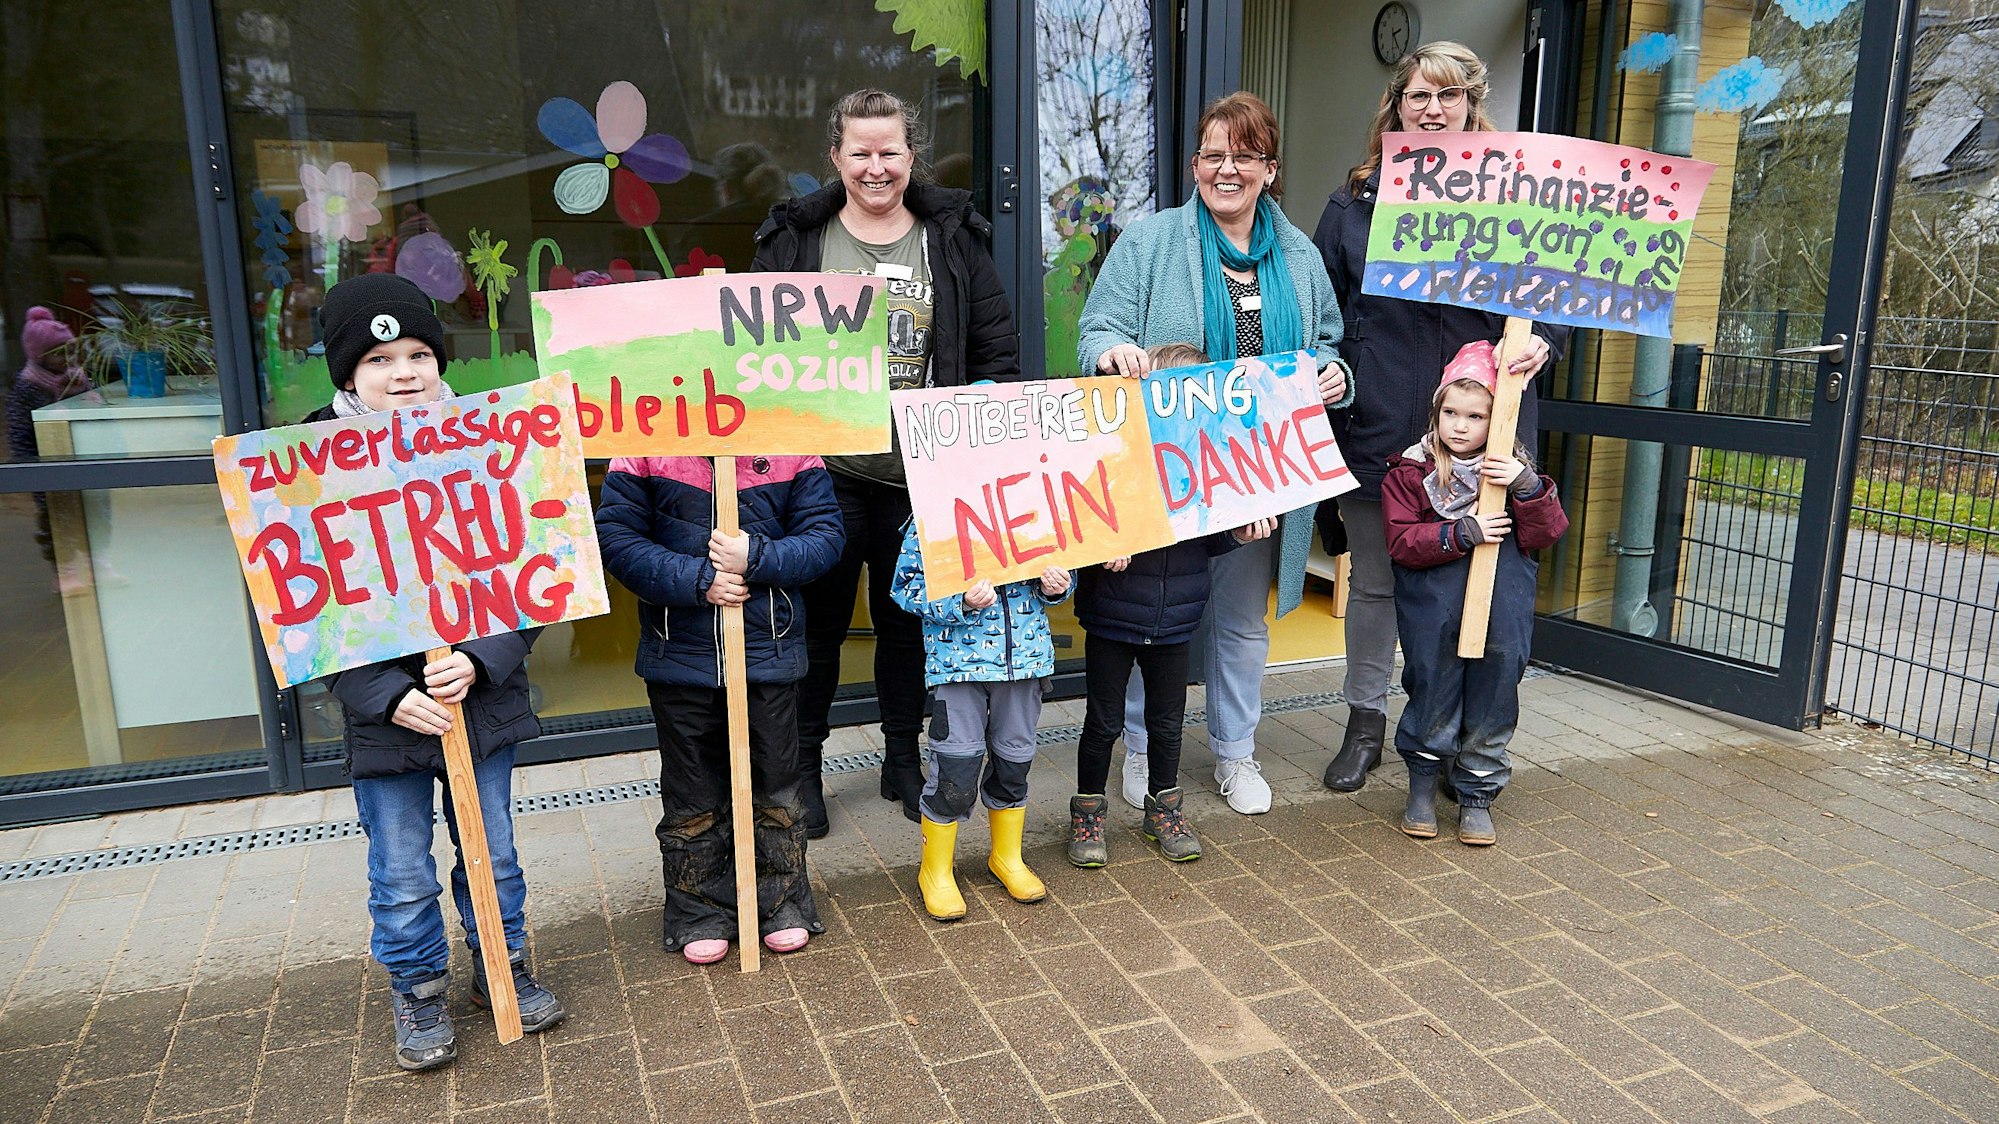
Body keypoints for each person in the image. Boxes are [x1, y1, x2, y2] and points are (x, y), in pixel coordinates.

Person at [310, 273, 563, 1071]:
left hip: (476, 704)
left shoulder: (487, 440)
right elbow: (303, 609)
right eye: (380, 359)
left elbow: (536, 568)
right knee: (402, 865)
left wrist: (483, 659)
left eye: (420, 352)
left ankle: (503, 964)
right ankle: (417, 989)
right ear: (347, 375)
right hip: (386, 719)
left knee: (494, 849)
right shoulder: (305, 464)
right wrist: (383, 696)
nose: (406, 372)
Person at [753, 88, 1022, 836]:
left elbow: (996, 349)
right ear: (835, 158)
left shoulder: (953, 237)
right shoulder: (792, 243)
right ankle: (802, 771)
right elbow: (753, 360)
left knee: (911, 628)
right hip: (823, 476)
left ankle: (903, 760)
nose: (876, 168)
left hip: (925, 477)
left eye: (890, 152)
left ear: (912, 156)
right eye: (861, 153)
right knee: (818, 629)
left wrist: (977, 414)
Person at [1076, 92, 1351, 818]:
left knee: (1237, 622)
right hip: (1163, 469)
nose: (1225, 170)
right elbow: (1095, 325)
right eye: (1212, 155)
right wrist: (1111, 350)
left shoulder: (1298, 254)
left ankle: (1236, 755)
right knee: (1145, 617)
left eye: (1244, 156)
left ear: (1269, 169)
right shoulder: (1151, 240)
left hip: (1254, 472)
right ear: (1195, 163)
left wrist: (1333, 374)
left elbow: (1327, 342)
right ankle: (1139, 749)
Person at [1313, 41, 1568, 794]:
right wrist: (1329, 368)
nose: (1433, 109)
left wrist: (1542, 344)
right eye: (1418, 97)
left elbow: (1555, 299)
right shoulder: (1353, 201)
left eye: (1448, 97)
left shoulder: (1512, 200)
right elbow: (1325, 310)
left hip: (1483, 419)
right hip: (1382, 418)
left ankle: (1453, 741)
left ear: (1470, 106)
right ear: (1395, 106)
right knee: (1374, 585)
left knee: (1477, 580)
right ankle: (1364, 722)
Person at [595, 448, 844, 964]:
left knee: (777, 787)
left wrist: (756, 557)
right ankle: (698, 910)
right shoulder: (643, 447)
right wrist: (697, 579)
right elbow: (617, 539)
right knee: (693, 795)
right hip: (679, 656)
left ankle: (781, 902)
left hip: (767, 652)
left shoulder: (790, 444)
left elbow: (825, 538)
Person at [1382, 341, 1567, 844]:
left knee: (1493, 694)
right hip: (1433, 616)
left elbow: (1546, 534)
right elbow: (1401, 542)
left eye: (1476, 416)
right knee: (1432, 691)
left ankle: (1477, 792)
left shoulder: (1514, 475)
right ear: (1436, 412)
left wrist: (1526, 486)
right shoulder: (1409, 473)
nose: (1461, 426)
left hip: (1501, 619)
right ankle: (1421, 785)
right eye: (1451, 413)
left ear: (1498, 419)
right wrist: (1461, 532)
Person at [889, 522, 1071, 921]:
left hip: (1024, 665)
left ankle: (1006, 857)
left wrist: (1058, 586)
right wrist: (961, 603)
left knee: (1014, 763)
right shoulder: (931, 518)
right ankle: (934, 871)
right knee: (955, 770)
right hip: (958, 671)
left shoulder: (1033, 508)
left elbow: (1061, 570)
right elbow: (904, 588)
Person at [6, 308, 92, 592]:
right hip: (48, 463)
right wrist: (31, 466)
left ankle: (95, 561)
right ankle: (64, 569)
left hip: (78, 456)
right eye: (59, 355)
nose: (67, 360)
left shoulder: (77, 379)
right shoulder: (28, 387)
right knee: (56, 520)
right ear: (40, 356)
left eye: (70, 352)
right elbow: (19, 432)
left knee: (91, 513)